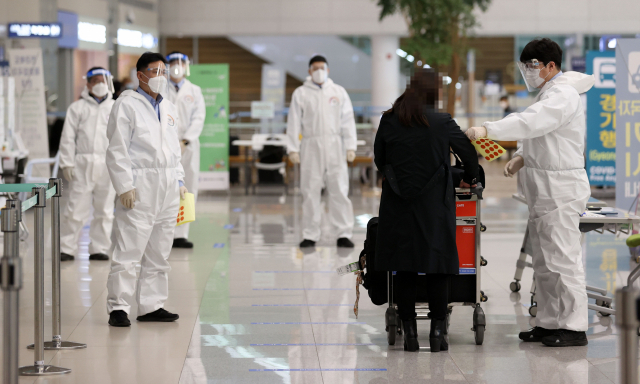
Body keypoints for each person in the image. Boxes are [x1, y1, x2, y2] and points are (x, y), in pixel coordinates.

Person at [466, 38, 594, 347]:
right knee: (544, 260)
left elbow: (533, 122)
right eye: (525, 66)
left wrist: (489, 130)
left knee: (562, 259)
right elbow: (542, 133)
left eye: (533, 65)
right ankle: (549, 323)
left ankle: (574, 327)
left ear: (551, 66)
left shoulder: (563, 93)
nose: (528, 71)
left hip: (561, 186)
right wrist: (523, 155)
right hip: (544, 186)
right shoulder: (548, 93)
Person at [374, 69, 479, 352]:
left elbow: (379, 159)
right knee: (437, 265)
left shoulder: (389, 119)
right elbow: (468, 154)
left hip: (397, 204)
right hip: (434, 204)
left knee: (405, 266)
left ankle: (409, 334)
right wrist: (470, 176)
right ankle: (436, 334)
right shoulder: (441, 121)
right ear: (434, 92)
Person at [105, 52, 188, 327]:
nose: (161, 77)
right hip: (140, 185)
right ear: (140, 75)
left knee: (159, 249)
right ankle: (118, 306)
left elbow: (174, 149)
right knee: (129, 248)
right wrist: (124, 186)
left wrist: (179, 179)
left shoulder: (169, 107)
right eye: (155, 72)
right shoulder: (126, 105)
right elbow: (117, 149)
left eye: (164, 71)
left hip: (167, 186)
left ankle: (152, 305)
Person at [286, 55, 357, 249]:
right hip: (311, 146)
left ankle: (343, 233)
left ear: (328, 70)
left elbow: (348, 120)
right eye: (315, 68)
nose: (319, 71)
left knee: (339, 190)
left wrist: (351, 146)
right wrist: (293, 148)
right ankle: (310, 234)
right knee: (310, 191)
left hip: (335, 146)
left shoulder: (338, 92)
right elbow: (293, 122)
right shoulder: (301, 93)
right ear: (309, 71)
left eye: (322, 67)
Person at [58, 67, 117, 262]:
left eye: (103, 80)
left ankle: (99, 248)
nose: (100, 84)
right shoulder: (77, 108)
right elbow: (67, 138)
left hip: (108, 164)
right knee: (76, 207)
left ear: (109, 82)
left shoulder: (116, 107)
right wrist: (67, 163)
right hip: (83, 163)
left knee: (105, 209)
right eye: (96, 80)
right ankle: (66, 247)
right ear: (88, 83)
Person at [165, 51, 206, 249]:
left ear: (186, 66)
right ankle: (165, 232)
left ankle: (181, 234)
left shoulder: (194, 90)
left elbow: (199, 117)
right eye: (173, 62)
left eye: (180, 62)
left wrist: (186, 140)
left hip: (188, 146)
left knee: (188, 187)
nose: (176, 66)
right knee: (165, 188)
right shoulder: (162, 89)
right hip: (165, 145)